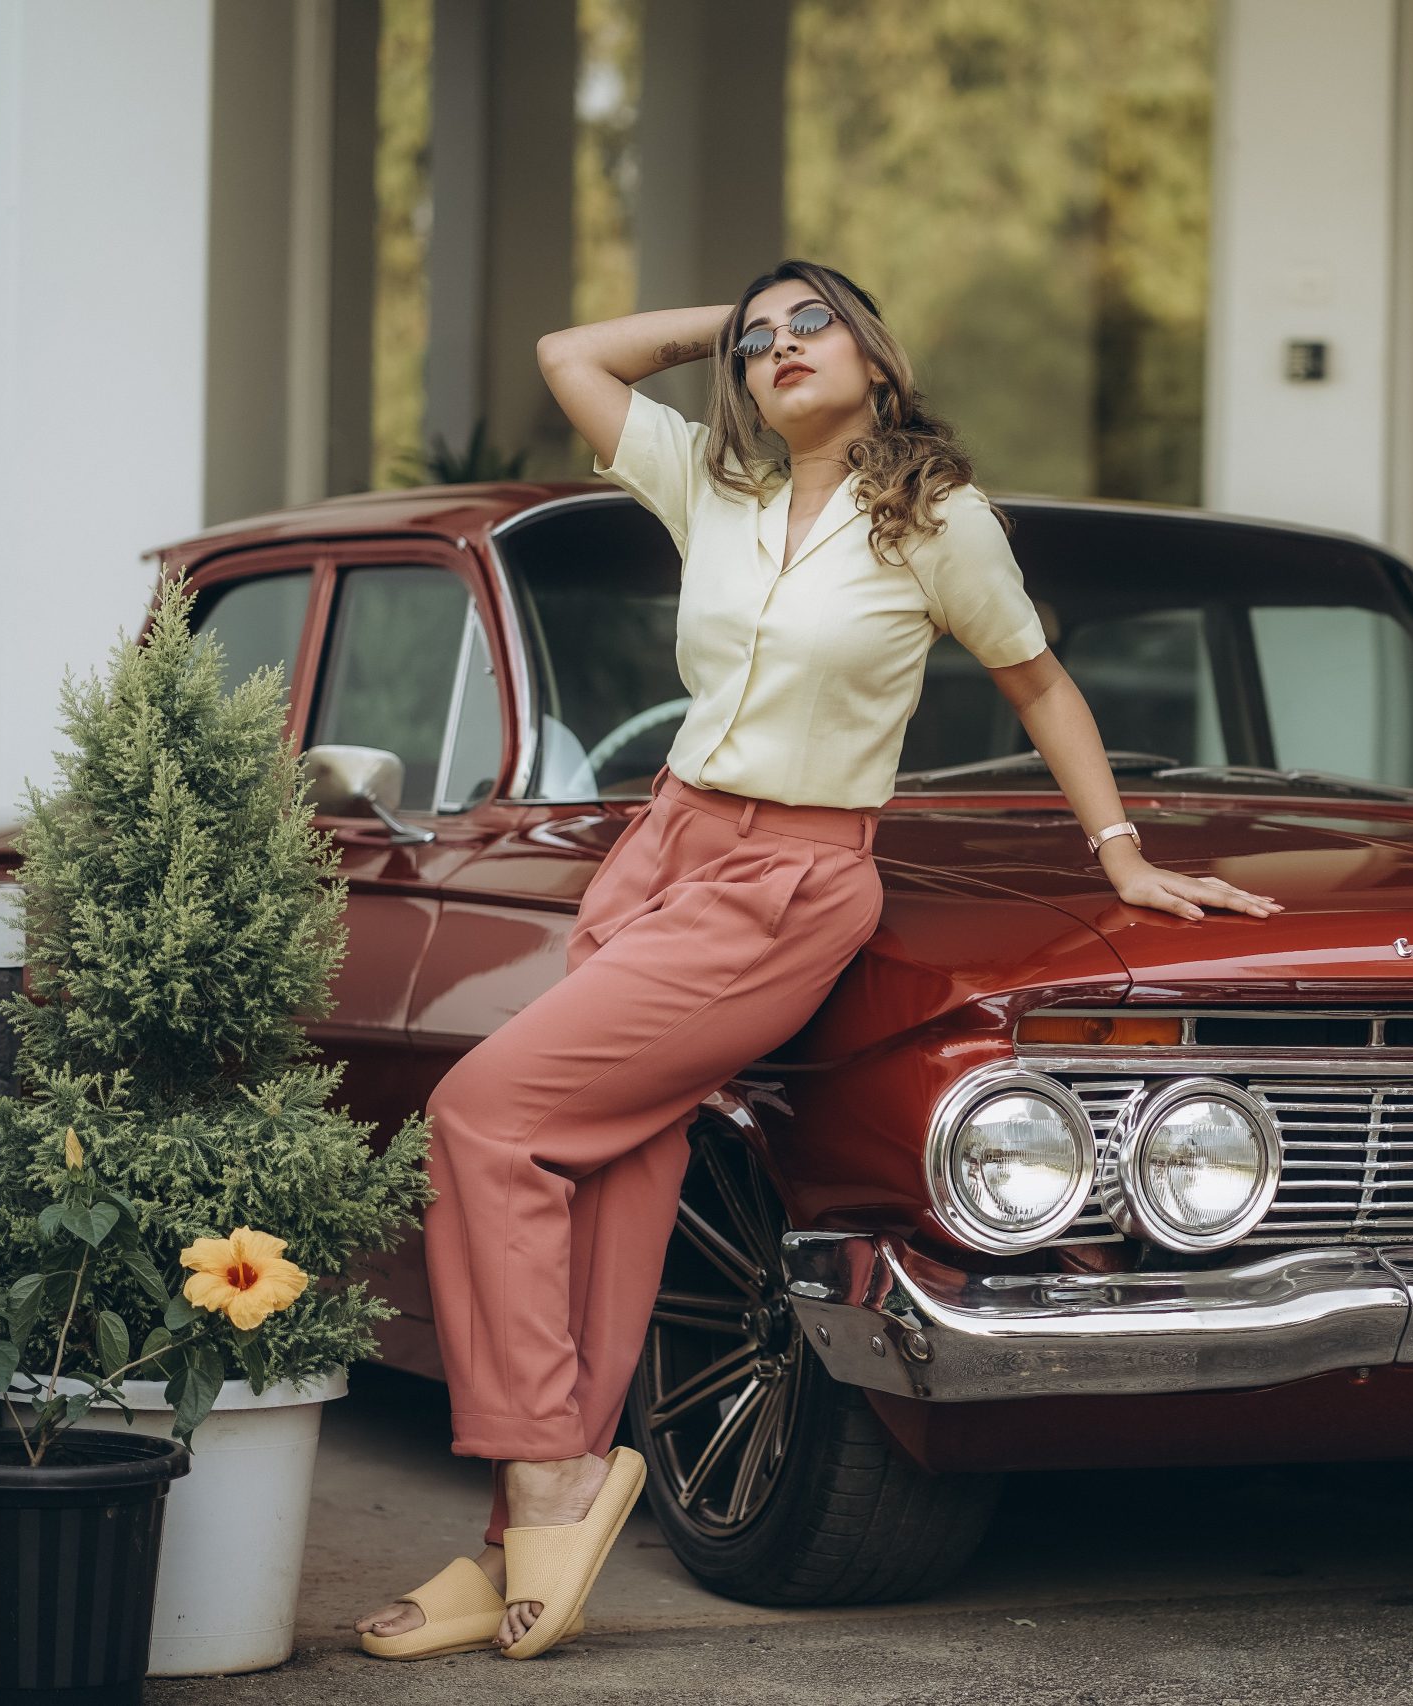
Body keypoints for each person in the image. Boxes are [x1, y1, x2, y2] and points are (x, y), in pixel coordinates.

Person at [355, 259, 1280, 1659]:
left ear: (877, 355)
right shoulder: (710, 486)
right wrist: (719, 319)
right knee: (608, 1174)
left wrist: (1123, 856)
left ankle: (547, 1472)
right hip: (660, 853)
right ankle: (512, 1540)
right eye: (759, 339)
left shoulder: (937, 519)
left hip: (788, 880)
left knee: (484, 1120)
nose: (782, 347)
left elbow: (1039, 683)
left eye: (813, 324)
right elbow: (566, 354)